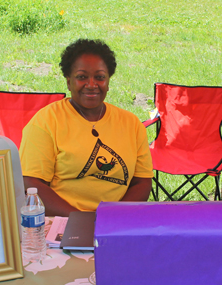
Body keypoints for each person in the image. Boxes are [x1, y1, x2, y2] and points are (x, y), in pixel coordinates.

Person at [19, 39, 153, 216]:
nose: (91, 84)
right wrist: (82, 220)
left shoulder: (131, 124)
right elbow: (31, 183)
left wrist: (114, 217)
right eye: (82, 77)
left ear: (108, 80)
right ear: (68, 81)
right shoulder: (46, 122)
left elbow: (142, 181)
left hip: (115, 221)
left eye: (100, 77)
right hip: (62, 221)